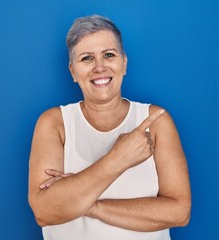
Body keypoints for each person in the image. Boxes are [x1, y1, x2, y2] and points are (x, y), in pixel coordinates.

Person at [28, 15, 191, 240]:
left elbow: (179, 212)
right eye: (86, 58)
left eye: (109, 55)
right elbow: (44, 212)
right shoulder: (54, 123)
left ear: (124, 63)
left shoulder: (155, 120)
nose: (99, 67)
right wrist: (118, 158)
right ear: (73, 71)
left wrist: (89, 205)